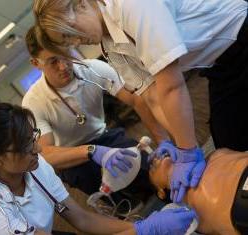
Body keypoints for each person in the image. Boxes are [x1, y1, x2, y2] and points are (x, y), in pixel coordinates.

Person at [32, 0, 248, 202]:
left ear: (81, 4)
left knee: (232, 142)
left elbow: (171, 86)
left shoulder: (130, 5)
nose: (77, 42)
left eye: (71, 33)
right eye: (68, 41)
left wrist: (187, 149)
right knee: (229, 141)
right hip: (219, 64)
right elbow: (152, 96)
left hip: (241, 35)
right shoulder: (109, 45)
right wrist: (171, 142)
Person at [0, 103, 196, 235]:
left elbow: (82, 219)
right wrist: (144, 231)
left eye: (34, 137)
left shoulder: (35, 168)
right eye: (26, 146)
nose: (38, 149)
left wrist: (139, 227)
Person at [22, 26, 168, 205]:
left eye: (65, 54)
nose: (64, 66)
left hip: (104, 137)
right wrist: (91, 151)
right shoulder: (33, 102)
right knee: (118, 202)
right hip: (71, 157)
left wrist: (163, 141)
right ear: (36, 63)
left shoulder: (93, 69)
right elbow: (46, 154)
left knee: (150, 173)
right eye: (52, 61)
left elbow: (137, 101)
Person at [145, 148, 248, 235]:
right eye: (151, 169)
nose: (155, 157)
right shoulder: (192, 218)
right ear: (160, 193)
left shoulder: (216, 154)